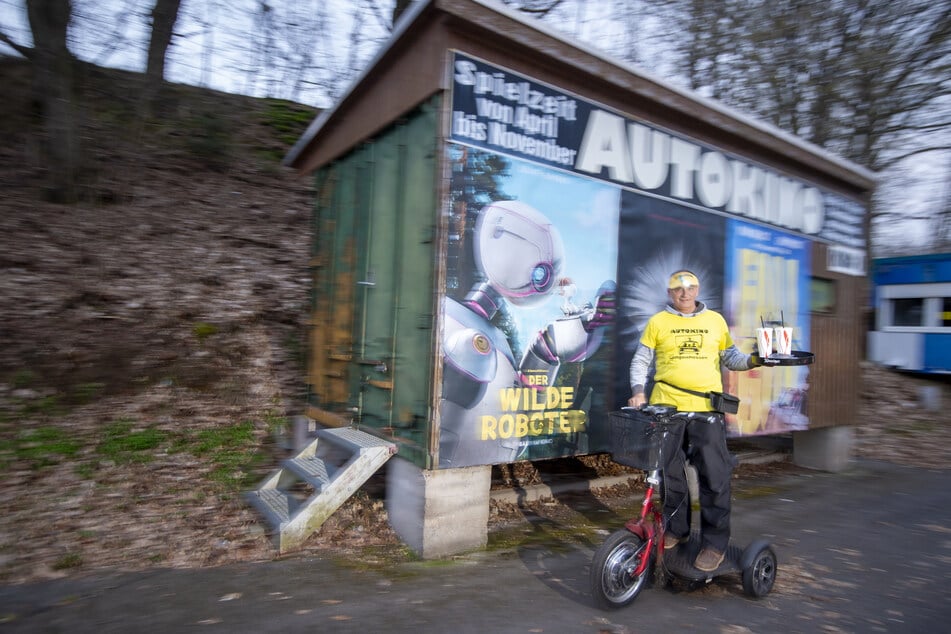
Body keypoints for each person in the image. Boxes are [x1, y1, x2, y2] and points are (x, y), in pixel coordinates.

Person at [627, 269, 776, 572]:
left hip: (706, 411)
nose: (684, 294)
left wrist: (754, 360)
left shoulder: (715, 321)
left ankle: (714, 543)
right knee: (671, 475)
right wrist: (639, 391)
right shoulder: (658, 322)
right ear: (670, 293)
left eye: (690, 287)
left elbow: (731, 357)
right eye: (678, 289)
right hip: (666, 411)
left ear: (697, 289)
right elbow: (641, 360)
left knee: (715, 478)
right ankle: (676, 530)